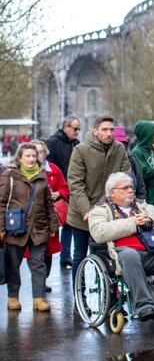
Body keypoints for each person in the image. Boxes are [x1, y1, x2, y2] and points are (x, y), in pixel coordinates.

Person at [88, 172, 154, 321]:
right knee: (130, 254)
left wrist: (152, 221)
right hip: (122, 254)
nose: (130, 190)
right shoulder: (100, 210)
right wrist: (133, 223)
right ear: (112, 193)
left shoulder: (143, 206)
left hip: (150, 251)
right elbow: (99, 232)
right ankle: (144, 305)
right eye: (125, 188)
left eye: (131, 187)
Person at [67, 116, 131, 283]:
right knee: (80, 256)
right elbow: (75, 183)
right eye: (104, 130)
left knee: (105, 255)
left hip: (108, 212)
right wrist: (86, 210)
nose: (109, 133)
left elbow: (126, 178)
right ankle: (79, 295)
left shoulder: (119, 149)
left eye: (111, 129)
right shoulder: (81, 150)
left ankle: (103, 296)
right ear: (94, 131)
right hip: (82, 213)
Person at [0, 143, 59, 312]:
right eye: (28, 156)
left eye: (34, 156)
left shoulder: (42, 176)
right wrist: (1, 226)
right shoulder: (9, 176)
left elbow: (48, 203)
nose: (32, 159)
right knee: (13, 264)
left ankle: (38, 299)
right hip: (15, 228)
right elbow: (2, 203)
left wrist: (53, 224)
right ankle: (13, 297)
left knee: (39, 264)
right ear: (20, 158)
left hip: (38, 228)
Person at [31, 140, 69, 292]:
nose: (37, 155)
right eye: (34, 152)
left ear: (45, 153)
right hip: (31, 218)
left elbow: (65, 187)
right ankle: (38, 285)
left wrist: (58, 193)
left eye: (40, 152)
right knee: (35, 253)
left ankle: (42, 280)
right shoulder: (25, 170)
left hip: (50, 217)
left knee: (47, 252)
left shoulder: (52, 169)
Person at [45, 115, 81, 269]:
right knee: (54, 224)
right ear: (66, 127)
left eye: (79, 129)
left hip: (72, 188)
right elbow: (48, 168)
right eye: (75, 129)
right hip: (57, 189)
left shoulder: (76, 144)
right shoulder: (52, 143)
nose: (77, 132)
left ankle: (65, 255)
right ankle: (50, 255)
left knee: (69, 223)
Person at [130, 121, 154, 206]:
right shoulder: (137, 152)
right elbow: (144, 173)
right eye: (153, 133)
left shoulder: (150, 150)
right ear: (146, 134)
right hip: (147, 196)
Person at [114, 127, 146, 201]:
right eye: (117, 144)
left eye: (123, 143)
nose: (120, 147)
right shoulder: (106, 161)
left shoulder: (131, 160)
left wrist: (140, 205)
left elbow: (140, 188)